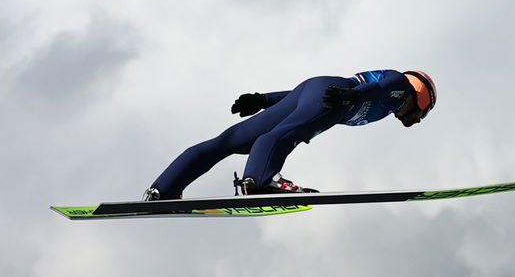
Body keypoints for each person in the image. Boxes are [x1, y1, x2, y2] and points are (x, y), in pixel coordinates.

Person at [144, 69, 436, 200]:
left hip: (314, 89)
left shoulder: (390, 101)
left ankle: (163, 189)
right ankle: (259, 182)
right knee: (283, 135)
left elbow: (299, 99)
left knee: (228, 142)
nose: (419, 120)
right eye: (424, 113)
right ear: (423, 99)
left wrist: (263, 100)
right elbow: (386, 85)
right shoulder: (401, 89)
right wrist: (352, 96)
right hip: (333, 97)